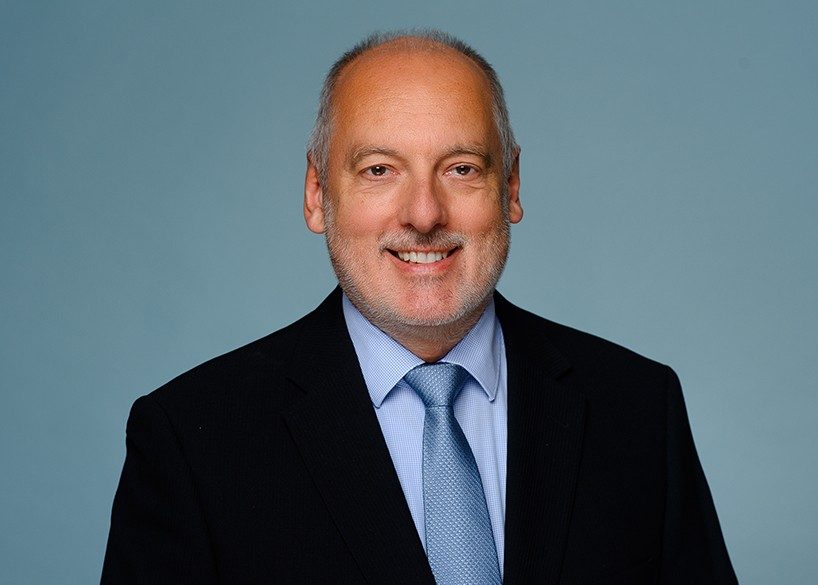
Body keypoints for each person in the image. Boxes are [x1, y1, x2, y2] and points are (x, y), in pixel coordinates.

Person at [101, 31, 738, 584]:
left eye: (461, 168)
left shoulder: (638, 409)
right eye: (380, 170)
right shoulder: (193, 442)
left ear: (511, 186)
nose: (425, 214)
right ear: (317, 194)